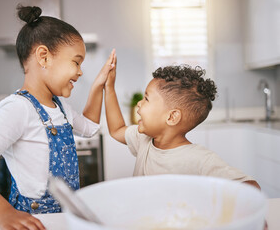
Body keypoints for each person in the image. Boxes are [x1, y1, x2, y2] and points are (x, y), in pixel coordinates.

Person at [0, 5, 116, 230]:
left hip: (65, 219)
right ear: (44, 57)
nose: (80, 71)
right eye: (76, 62)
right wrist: (4, 214)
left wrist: (99, 85)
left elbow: (89, 127)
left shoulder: (61, 108)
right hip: (34, 223)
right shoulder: (17, 109)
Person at [104, 63, 261, 190]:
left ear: (172, 117)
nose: (139, 103)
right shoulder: (143, 140)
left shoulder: (201, 159)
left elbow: (250, 187)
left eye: (146, 98)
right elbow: (117, 130)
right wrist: (109, 87)